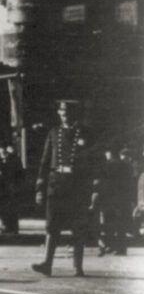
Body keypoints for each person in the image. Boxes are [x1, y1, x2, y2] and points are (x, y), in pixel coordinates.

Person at [32, 99, 95, 277]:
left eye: (67, 111)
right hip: (56, 183)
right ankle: (47, 264)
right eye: (62, 111)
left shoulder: (86, 133)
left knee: (78, 227)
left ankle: (77, 267)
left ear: (75, 113)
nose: (64, 114)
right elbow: (45, 161)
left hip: (77, 185)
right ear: (58, 113)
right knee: (52, 226)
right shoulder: (53, 132)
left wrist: (92, 187)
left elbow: (92, 162)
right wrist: (40, 186)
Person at [93, 147, 133, 257]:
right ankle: (119, 247)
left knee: (109, 223)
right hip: (120, 198)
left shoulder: (108, 165)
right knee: (119, 224)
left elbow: (101, 181)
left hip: (109, 198)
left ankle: (113, 246)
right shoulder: (123, 165)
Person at [0, 141, 24, 234]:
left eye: (4, 148)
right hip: (0, 188)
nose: (2, 150)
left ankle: (14, 227)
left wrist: (18, 185)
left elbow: (20, 173)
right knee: (2, 208)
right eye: (0, 148)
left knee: (12, 208)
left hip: (12, 187)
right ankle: (7, 226)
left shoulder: (14, 159)